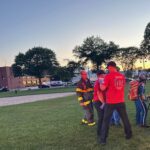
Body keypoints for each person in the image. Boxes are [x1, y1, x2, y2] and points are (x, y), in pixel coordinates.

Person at [99, 61, 132, 145]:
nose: (108, 69)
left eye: (108, 68)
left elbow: (103, 88)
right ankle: (129, 134)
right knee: (125, 119)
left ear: (110, 67)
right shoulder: (122, 76)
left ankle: (103, 139)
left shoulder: (108, 76)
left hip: (110, 101)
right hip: (120, 101)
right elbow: (121, 87)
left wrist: (100, 83)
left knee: (106, 121)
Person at [93, 70, 105, 138]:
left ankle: (102, 130)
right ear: (100, 75)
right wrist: (103, 102)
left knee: (102, 116)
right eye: (104, 74)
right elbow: (99, 93)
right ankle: (99, 132)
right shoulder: (99, 81)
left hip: (98, 101)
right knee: (101, 117)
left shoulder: (98, 81)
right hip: (98, 101)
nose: (105, 75)